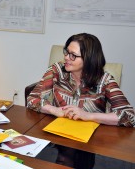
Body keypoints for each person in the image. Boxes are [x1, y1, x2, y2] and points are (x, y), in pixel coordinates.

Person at [27, 33, 135, 168]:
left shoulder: (104, 80)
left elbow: (129, 116)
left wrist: (88, 115)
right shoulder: (57, 71)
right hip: (58, 138)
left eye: (73, 55)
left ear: (89, 58)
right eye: (66, 52)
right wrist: (54, 110)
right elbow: (32, 99)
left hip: (89, 145)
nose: (66, 57)